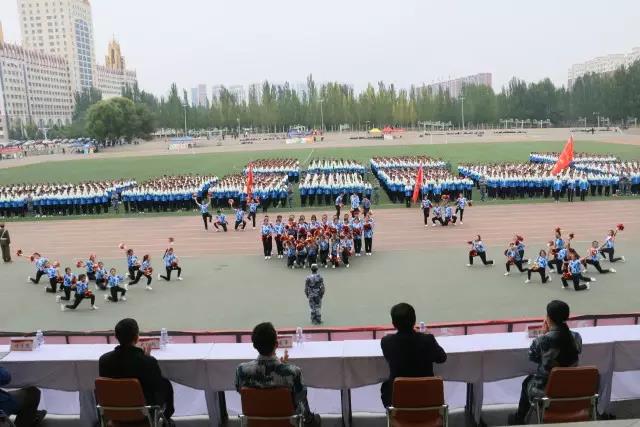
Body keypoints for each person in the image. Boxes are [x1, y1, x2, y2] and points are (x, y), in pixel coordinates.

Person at [508, 300, 582, 425]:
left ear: (548, 318)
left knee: (527, 382)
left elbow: (533, 357)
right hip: (570, 388)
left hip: (546, 390)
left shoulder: (543, 340)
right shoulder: (576, 337)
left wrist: (544, 334)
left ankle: (519, 419)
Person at [235, 322, 319, 426]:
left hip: (255, 423)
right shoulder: (293, 373)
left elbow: (241, 391)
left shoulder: (241, 371)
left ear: (254, 345)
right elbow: (300, 401)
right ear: (276, 344)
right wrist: (284, 367)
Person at [99, 319, 175, 424]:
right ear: (136, 337)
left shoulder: (104, 360)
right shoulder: (148, 362)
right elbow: (156, 386)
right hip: (143, 414)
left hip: (114, 413)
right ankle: (166, 419)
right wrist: (147, 357)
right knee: (165, 383)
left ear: (116, 337)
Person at [380, 303, 447, 408]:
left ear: (393, 323)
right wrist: (427, 336)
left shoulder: (386, 342)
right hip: (427, 397)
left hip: (398, 399)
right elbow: (442, 358)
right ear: (414, 320)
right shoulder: (427, 340)